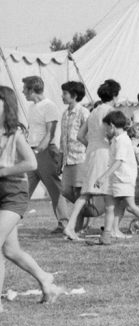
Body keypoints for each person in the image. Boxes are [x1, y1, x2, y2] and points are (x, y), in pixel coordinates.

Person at [0, 86, 63, 310]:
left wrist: (4, 171)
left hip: (13, 192)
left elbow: (32, 164)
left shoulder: (14, 134)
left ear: (5, 105)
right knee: (10, 250)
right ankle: (46, 280)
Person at [90, 110, 139, 245]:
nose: (105, 131)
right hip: (115, 178)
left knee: (132, 206)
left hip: (124, 179)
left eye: (106, 128)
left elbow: (119, 161)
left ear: (112, 126)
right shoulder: (115, 140)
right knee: (109, 207)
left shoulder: (123, 140)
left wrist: (103, 176)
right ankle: (106, 237)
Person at [63, 79, 120, 241]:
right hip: (104, 154)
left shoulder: (94, 111)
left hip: (91, 153)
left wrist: (92, 145)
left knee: (86, 193)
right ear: (115, 96)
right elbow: (112, 134)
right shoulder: (110, 111)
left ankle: (71, 226)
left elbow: (80, 135)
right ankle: (110, 230)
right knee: (108, 192)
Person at [20, 75, 69, 232]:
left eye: (25, 89)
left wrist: (36, 151)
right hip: (33, 152)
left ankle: (64, 224)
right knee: (23, 188)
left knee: (54, 189)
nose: (22, 91)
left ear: (33, 89)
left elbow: (50, 134)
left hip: (45, 152)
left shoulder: (49, 106)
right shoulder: (31, 107)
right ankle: (10, 221)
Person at [58, 81, 89, 223]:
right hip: (67, 160)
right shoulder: (65, 114)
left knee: (78, 192)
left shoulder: (83, 112)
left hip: (80, 158)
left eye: (65, 93)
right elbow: (62, 139)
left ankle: (79, 225)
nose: (62, 96)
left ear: (74, 95)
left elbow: (89, 134)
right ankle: (86, 212)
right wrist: (60, 160)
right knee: (65, 190)